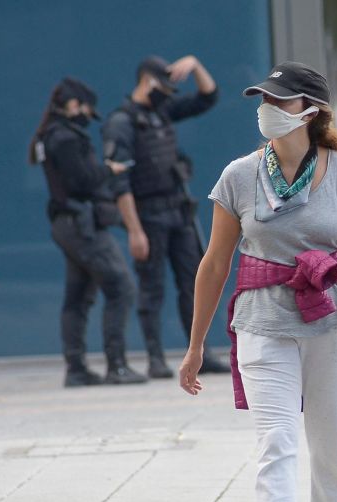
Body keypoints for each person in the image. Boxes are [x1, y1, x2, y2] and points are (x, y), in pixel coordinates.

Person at [177, 62, 337, 502]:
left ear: (310, 111)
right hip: (262, 325)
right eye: (264, 98)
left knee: (330, 449)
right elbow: (215, 263)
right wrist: (195, 345)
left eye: (279, 99)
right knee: (276, 441)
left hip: (333, 321)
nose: (267, 108)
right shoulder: (238, 176)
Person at [102, 54, 231, 379]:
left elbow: (208, 98)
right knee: (152, 288)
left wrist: (196, 65)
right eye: (164, 87)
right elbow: (119, 183)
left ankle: (200, 352)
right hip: (148, 215)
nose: (168, 95)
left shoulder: (161, 112)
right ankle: (155, 358)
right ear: (147, 81)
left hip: (178, 210)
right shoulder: (122, 122)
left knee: (194, 281)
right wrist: (134, 230)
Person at [30, 77, 149, 387]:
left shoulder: (50, 135)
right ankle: (116, 365)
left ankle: (76, 368)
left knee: (79, 295)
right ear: (74, 105)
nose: (86, 116)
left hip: (68, 224)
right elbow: (82, 181)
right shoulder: (66, 138)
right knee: (121, 287)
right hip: (82, 225)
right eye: (85, 109)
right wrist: (109, 169)